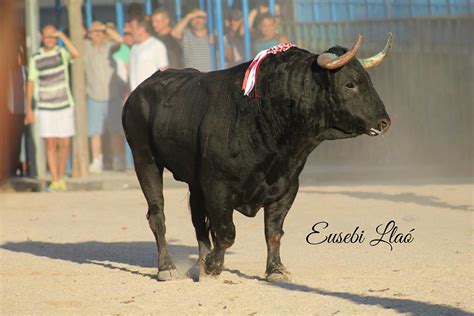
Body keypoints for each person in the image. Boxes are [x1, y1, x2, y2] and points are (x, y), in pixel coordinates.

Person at [25, 24, 79, 191]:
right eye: (48, 37)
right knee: (50, 143)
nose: (50, 40)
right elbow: (31, 83)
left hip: (64, 104)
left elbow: (76, 54)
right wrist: (29, 109)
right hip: (45, 106)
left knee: (64, 143)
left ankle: (61, 176)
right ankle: (55, 179)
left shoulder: (61, 53)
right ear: (42, 37)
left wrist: (62, 36)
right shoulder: (35, 58)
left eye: (53, 37)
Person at [84, 21, 122, 174]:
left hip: (112, 97)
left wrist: (105, 28)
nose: (97, 34)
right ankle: (96, 161)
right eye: (94, 31)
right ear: (90, 33)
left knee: (115, 131)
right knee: (95, 132)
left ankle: (118, 159)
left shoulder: (109, 47)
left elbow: (120, 41)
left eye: (100, 31)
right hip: (94, 97)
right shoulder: (86, 47)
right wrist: (90, 30)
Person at [129, 17, 168, 91]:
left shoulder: (157, 45)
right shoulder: (134, 48)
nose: (130, 31)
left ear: (142, 29)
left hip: (152, 93)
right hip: (136, 94)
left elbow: (163, 71)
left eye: (132, 28)